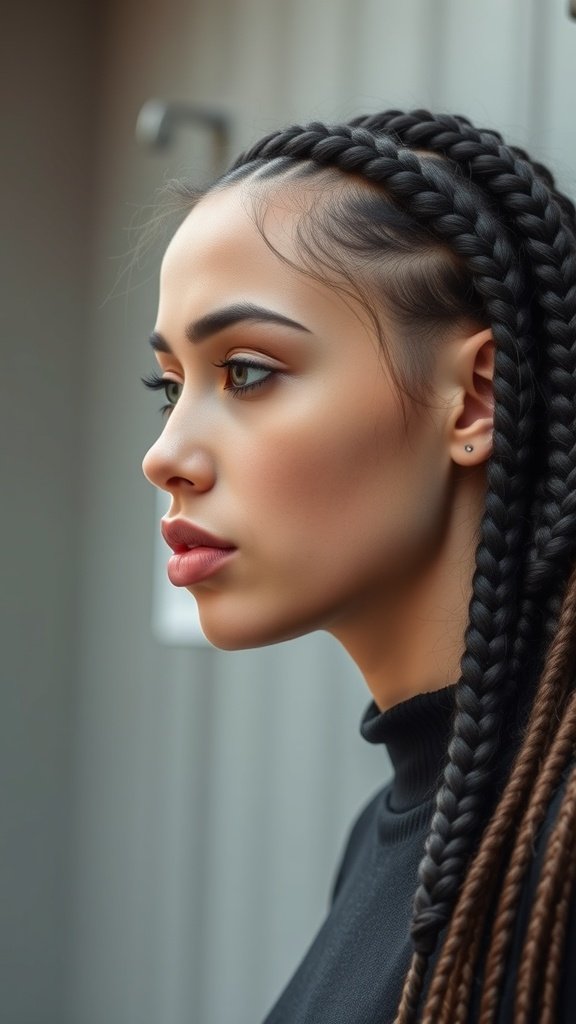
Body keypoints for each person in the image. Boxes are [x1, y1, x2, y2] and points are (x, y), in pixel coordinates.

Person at [141, 110, 576, 1023]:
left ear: (475, 400)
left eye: (248, 372)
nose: (165, 455)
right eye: (170, 387)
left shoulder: (556, 851)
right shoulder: (399, 832)